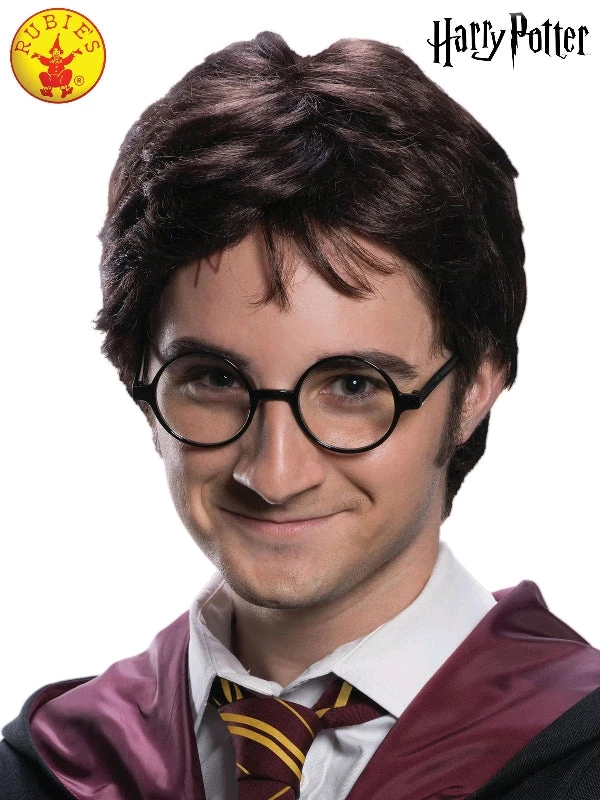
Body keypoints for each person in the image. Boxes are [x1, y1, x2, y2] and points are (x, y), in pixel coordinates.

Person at [1, 31, 599, 800]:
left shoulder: (577, 760)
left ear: (477, 387)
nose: (274, 474)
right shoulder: (50, 772)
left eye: (352, 386)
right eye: (216, 378)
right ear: (138, 379)